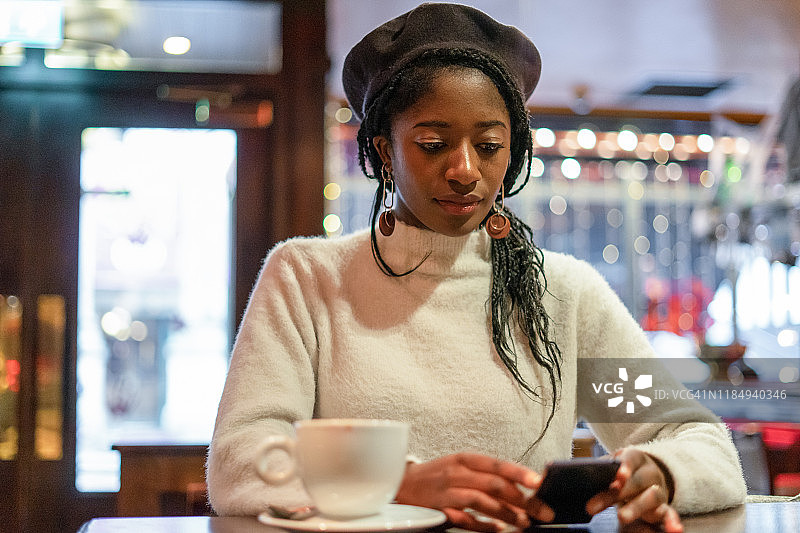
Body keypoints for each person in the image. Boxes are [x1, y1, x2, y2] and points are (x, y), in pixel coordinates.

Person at [207, 3, 746, 531]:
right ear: (384, 151)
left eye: (489, 146)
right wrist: (398, 485)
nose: (466, 171)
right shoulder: (309, 279)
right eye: (433, 144)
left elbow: (701, 447)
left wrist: (657, 473)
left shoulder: (561, 293)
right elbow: (241, 461)